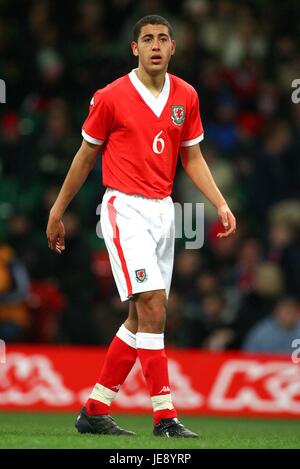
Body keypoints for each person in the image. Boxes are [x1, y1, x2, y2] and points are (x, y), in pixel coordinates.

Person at [46, 15, 236, 438]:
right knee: (154, 307)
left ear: (173, 48)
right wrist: (58, 211)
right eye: (147, 38)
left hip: (164, 211)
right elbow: (84, 156)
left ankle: (95, 409)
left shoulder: (186, 94)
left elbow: (193, 158)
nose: (155, 45)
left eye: (162, 38)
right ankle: (164, 416)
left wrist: (219, 202)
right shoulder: (111, 96)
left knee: (139, 317)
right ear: (134, 48)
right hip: (124, 208)